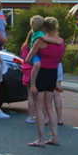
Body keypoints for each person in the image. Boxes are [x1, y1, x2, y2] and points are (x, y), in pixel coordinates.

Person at [25, 17, 65, 147]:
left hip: (41, 74)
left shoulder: (40, 41)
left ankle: (41, 139)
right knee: (49, 107)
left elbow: (28, 58)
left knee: (39, 107)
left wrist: (36, 62)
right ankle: (55, 137)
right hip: (53, 74)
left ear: (44, 28)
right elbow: (60, 58)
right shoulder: (61, 42)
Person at [20, 16, 46, 124]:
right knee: (40, 97)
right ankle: (43, 116)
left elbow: (24, 58)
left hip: (27, 71)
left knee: (30, 96)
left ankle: (31, 116)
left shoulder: (24, 47)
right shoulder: (40, 42)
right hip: (37, 71)